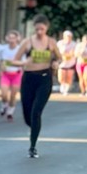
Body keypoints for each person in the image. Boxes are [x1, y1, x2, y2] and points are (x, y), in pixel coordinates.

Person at [15, 16, 60, 159]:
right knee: (27, 114)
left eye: (42, 29)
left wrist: (56, 63)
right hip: (28, 78)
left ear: (47, 28)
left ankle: (32, 146)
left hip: (44, 79)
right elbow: (15, 60)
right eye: (37, 29)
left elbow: (60, 57)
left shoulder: (51, 42)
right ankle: (33, 127)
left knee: (36, 112)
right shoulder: (27, 42)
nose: (40, 31)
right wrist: (24, 62)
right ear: (34, 28)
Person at [0, 31, 23, 121]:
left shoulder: (20, 49)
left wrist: (13, 63)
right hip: (6, 74)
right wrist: (1, 69)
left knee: (13, 95)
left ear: (17, 39)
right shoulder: (2, 49)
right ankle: (4, 104)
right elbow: (1, 61)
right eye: (10, 38)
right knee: (4, 94)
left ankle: (10, 112)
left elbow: (23, 62)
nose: (12, 40)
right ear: (7, 39)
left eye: (14, 38)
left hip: (16, 74)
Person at [56, 30, 77, 95]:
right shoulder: (60, 43)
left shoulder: (74, 44)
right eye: (67, 36)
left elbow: (76, 52)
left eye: (70, 36)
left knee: (69, 76)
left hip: (71, 62)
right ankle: (62, 85)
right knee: (61, 76)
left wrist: (71, 54)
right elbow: (56, 51)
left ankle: (66, 89)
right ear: (64, 36)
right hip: (62, 62)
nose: (68, 37)